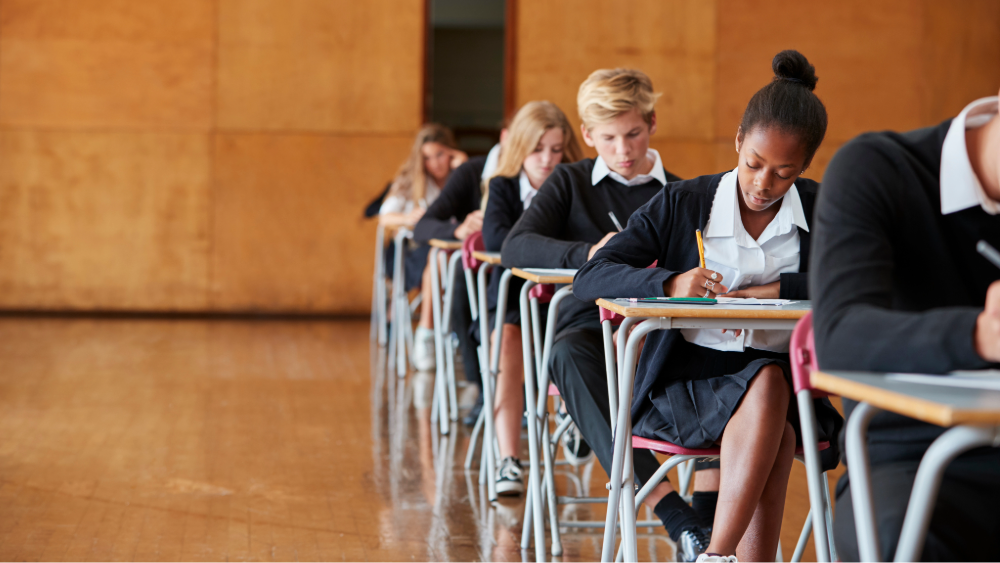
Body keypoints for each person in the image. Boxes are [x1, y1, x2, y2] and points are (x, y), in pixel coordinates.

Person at [574, 51, 843, 562]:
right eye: (754, 164)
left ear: (805, 167)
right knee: (770, 395)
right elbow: (593, 276)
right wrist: (671, 282)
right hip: (685, 386)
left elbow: (864, 279)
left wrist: (775, 290)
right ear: (739, 141)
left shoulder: (821, 206)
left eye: (785, 173)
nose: (764, 185)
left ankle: (718, 557)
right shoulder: (683, 202)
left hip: (788, 388)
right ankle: (722, 555)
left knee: (773, 397)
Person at [502, 67, 715, 560]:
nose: (624, 150)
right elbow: (516, 246)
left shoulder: (681, 193)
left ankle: (707, 521)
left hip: (665, 338)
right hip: (590, 340)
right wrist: (590, 254)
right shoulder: (570, 182)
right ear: (588, 135)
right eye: (610, 139)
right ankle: (676, 516)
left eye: (634, 134)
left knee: (726, 356)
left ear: (653, 124)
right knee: (564, 354)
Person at [811, 82, 1000, 561]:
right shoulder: (878, 169)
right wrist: (980, 334)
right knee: (903, 544)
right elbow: (839, 336)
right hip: (912, 455)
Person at [478, 100, 583, 495]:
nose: (547, 159)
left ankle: (578, 418)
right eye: (538, 149)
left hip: (565, 299)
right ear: (520, 147)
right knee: (507, 339)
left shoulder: (574, 183)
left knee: (581, 335)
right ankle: (509, 458)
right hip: (513, 302)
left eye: (556, 150)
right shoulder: (503, 187)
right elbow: (497, 241)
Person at [411, 128, 508, 419]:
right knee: (458, 281)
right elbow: (423, 225)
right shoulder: (470, 173)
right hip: (480, 269)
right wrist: (457, 229)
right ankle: (480, 386)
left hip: (522, 268)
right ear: (506, 138)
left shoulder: (551, 171)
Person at [380, 124, 467, 371]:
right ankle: (427, 332)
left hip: (454, 250)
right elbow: (385, 217)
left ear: (451, 153)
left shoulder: (459, 179)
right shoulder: (411, 181)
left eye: (440, 155)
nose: (435, 163)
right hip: (416, 252)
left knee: (447, 259)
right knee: (436, 257)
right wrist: (408, 219)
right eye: (427, 157)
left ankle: (446, 333)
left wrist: (463, 167)